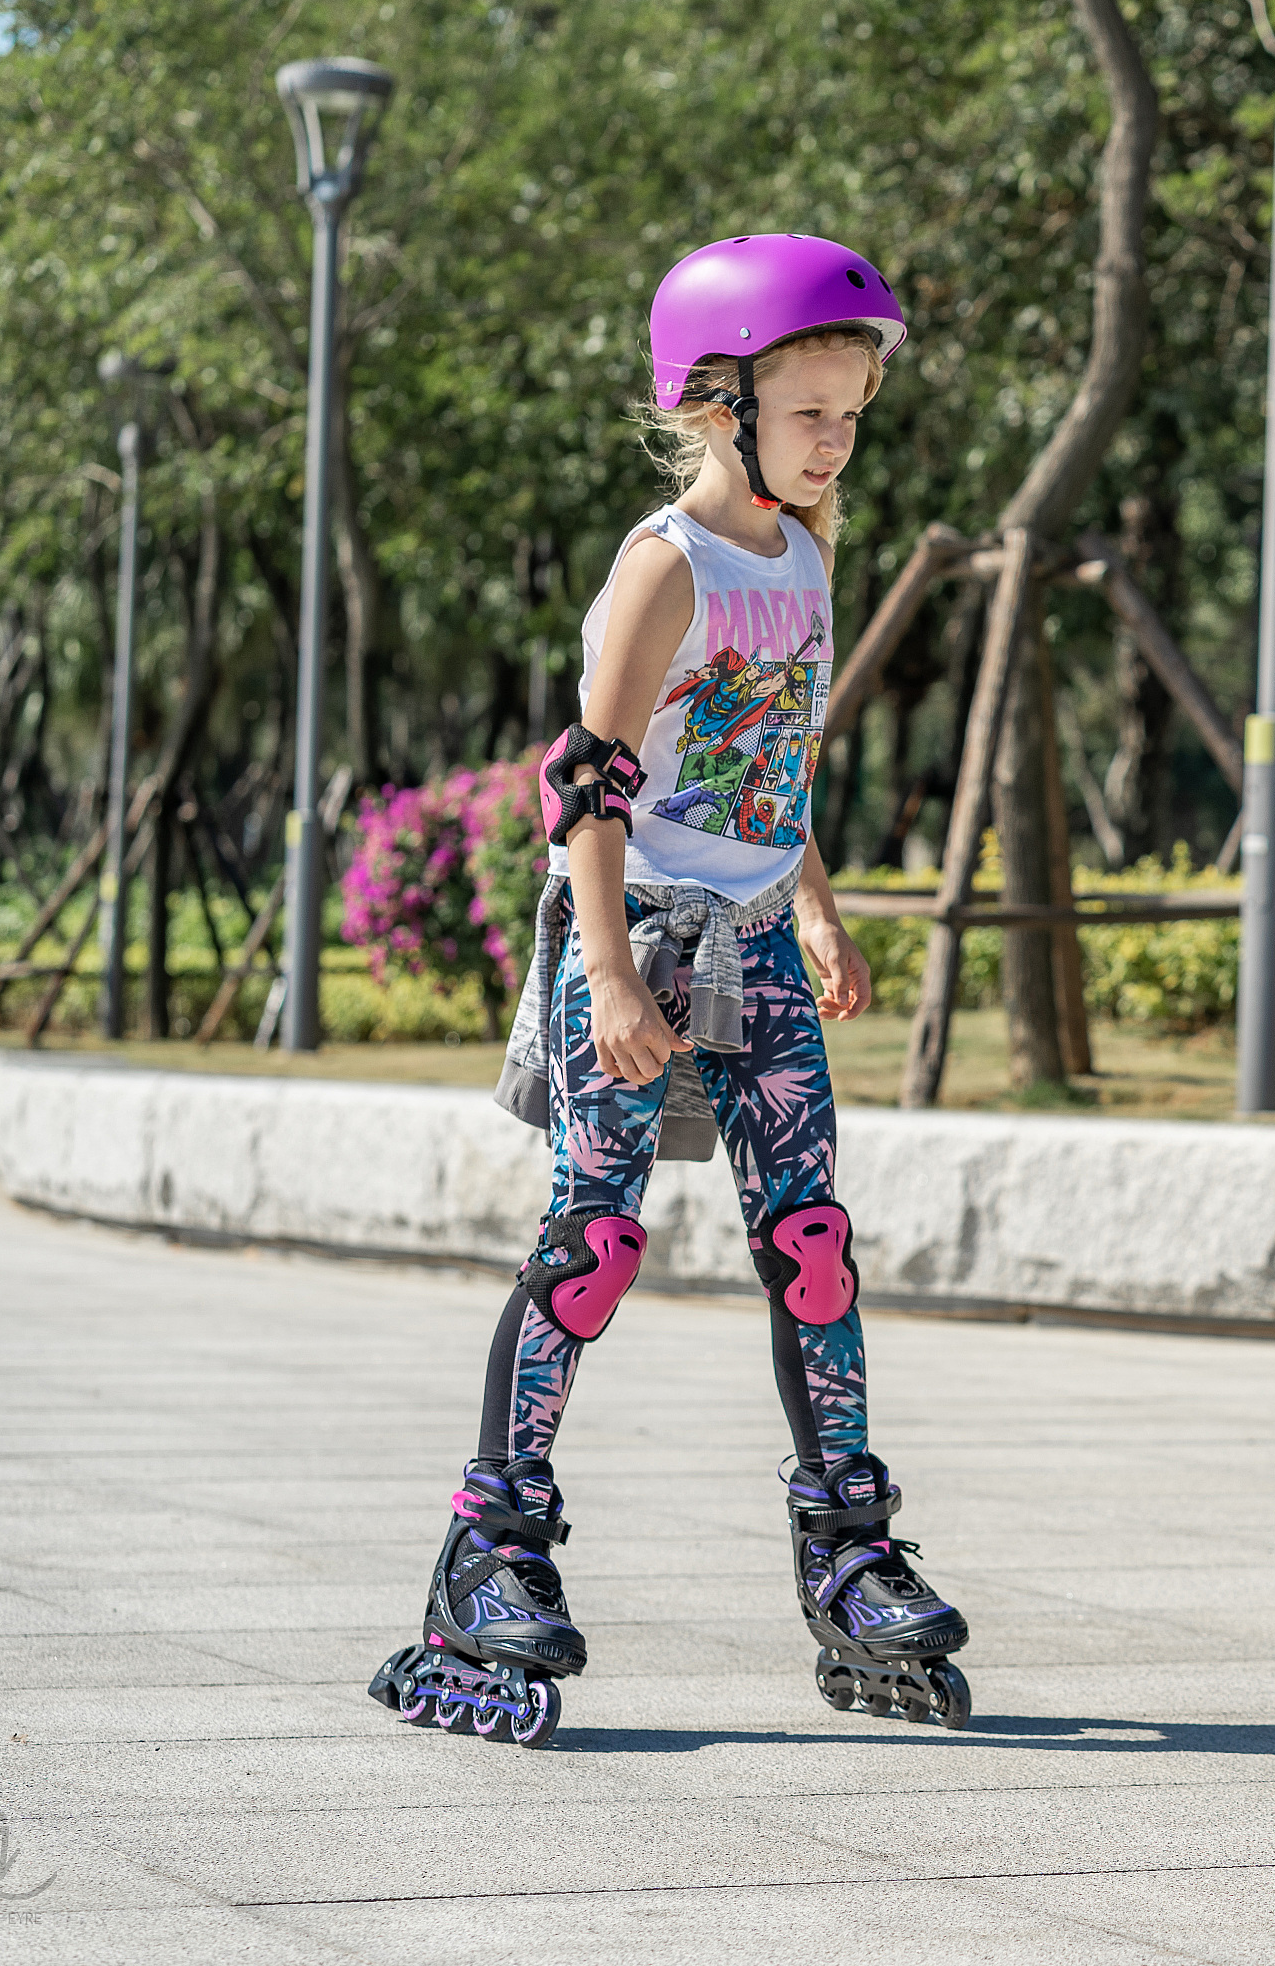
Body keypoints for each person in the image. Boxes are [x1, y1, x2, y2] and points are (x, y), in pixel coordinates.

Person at [369, 235, 971, 1748]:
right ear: (724, 406)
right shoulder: (669, 564)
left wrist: (818, 908)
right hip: (633, 927)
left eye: (853, 412)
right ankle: (487, 1554)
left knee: (813, 1245)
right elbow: (590, 781)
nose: (839, 442)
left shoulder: (807, 556)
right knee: (595, 1241)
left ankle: (849, 1551)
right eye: (814, 413)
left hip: (760, 935)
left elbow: (778, 762)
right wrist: (612, 968)